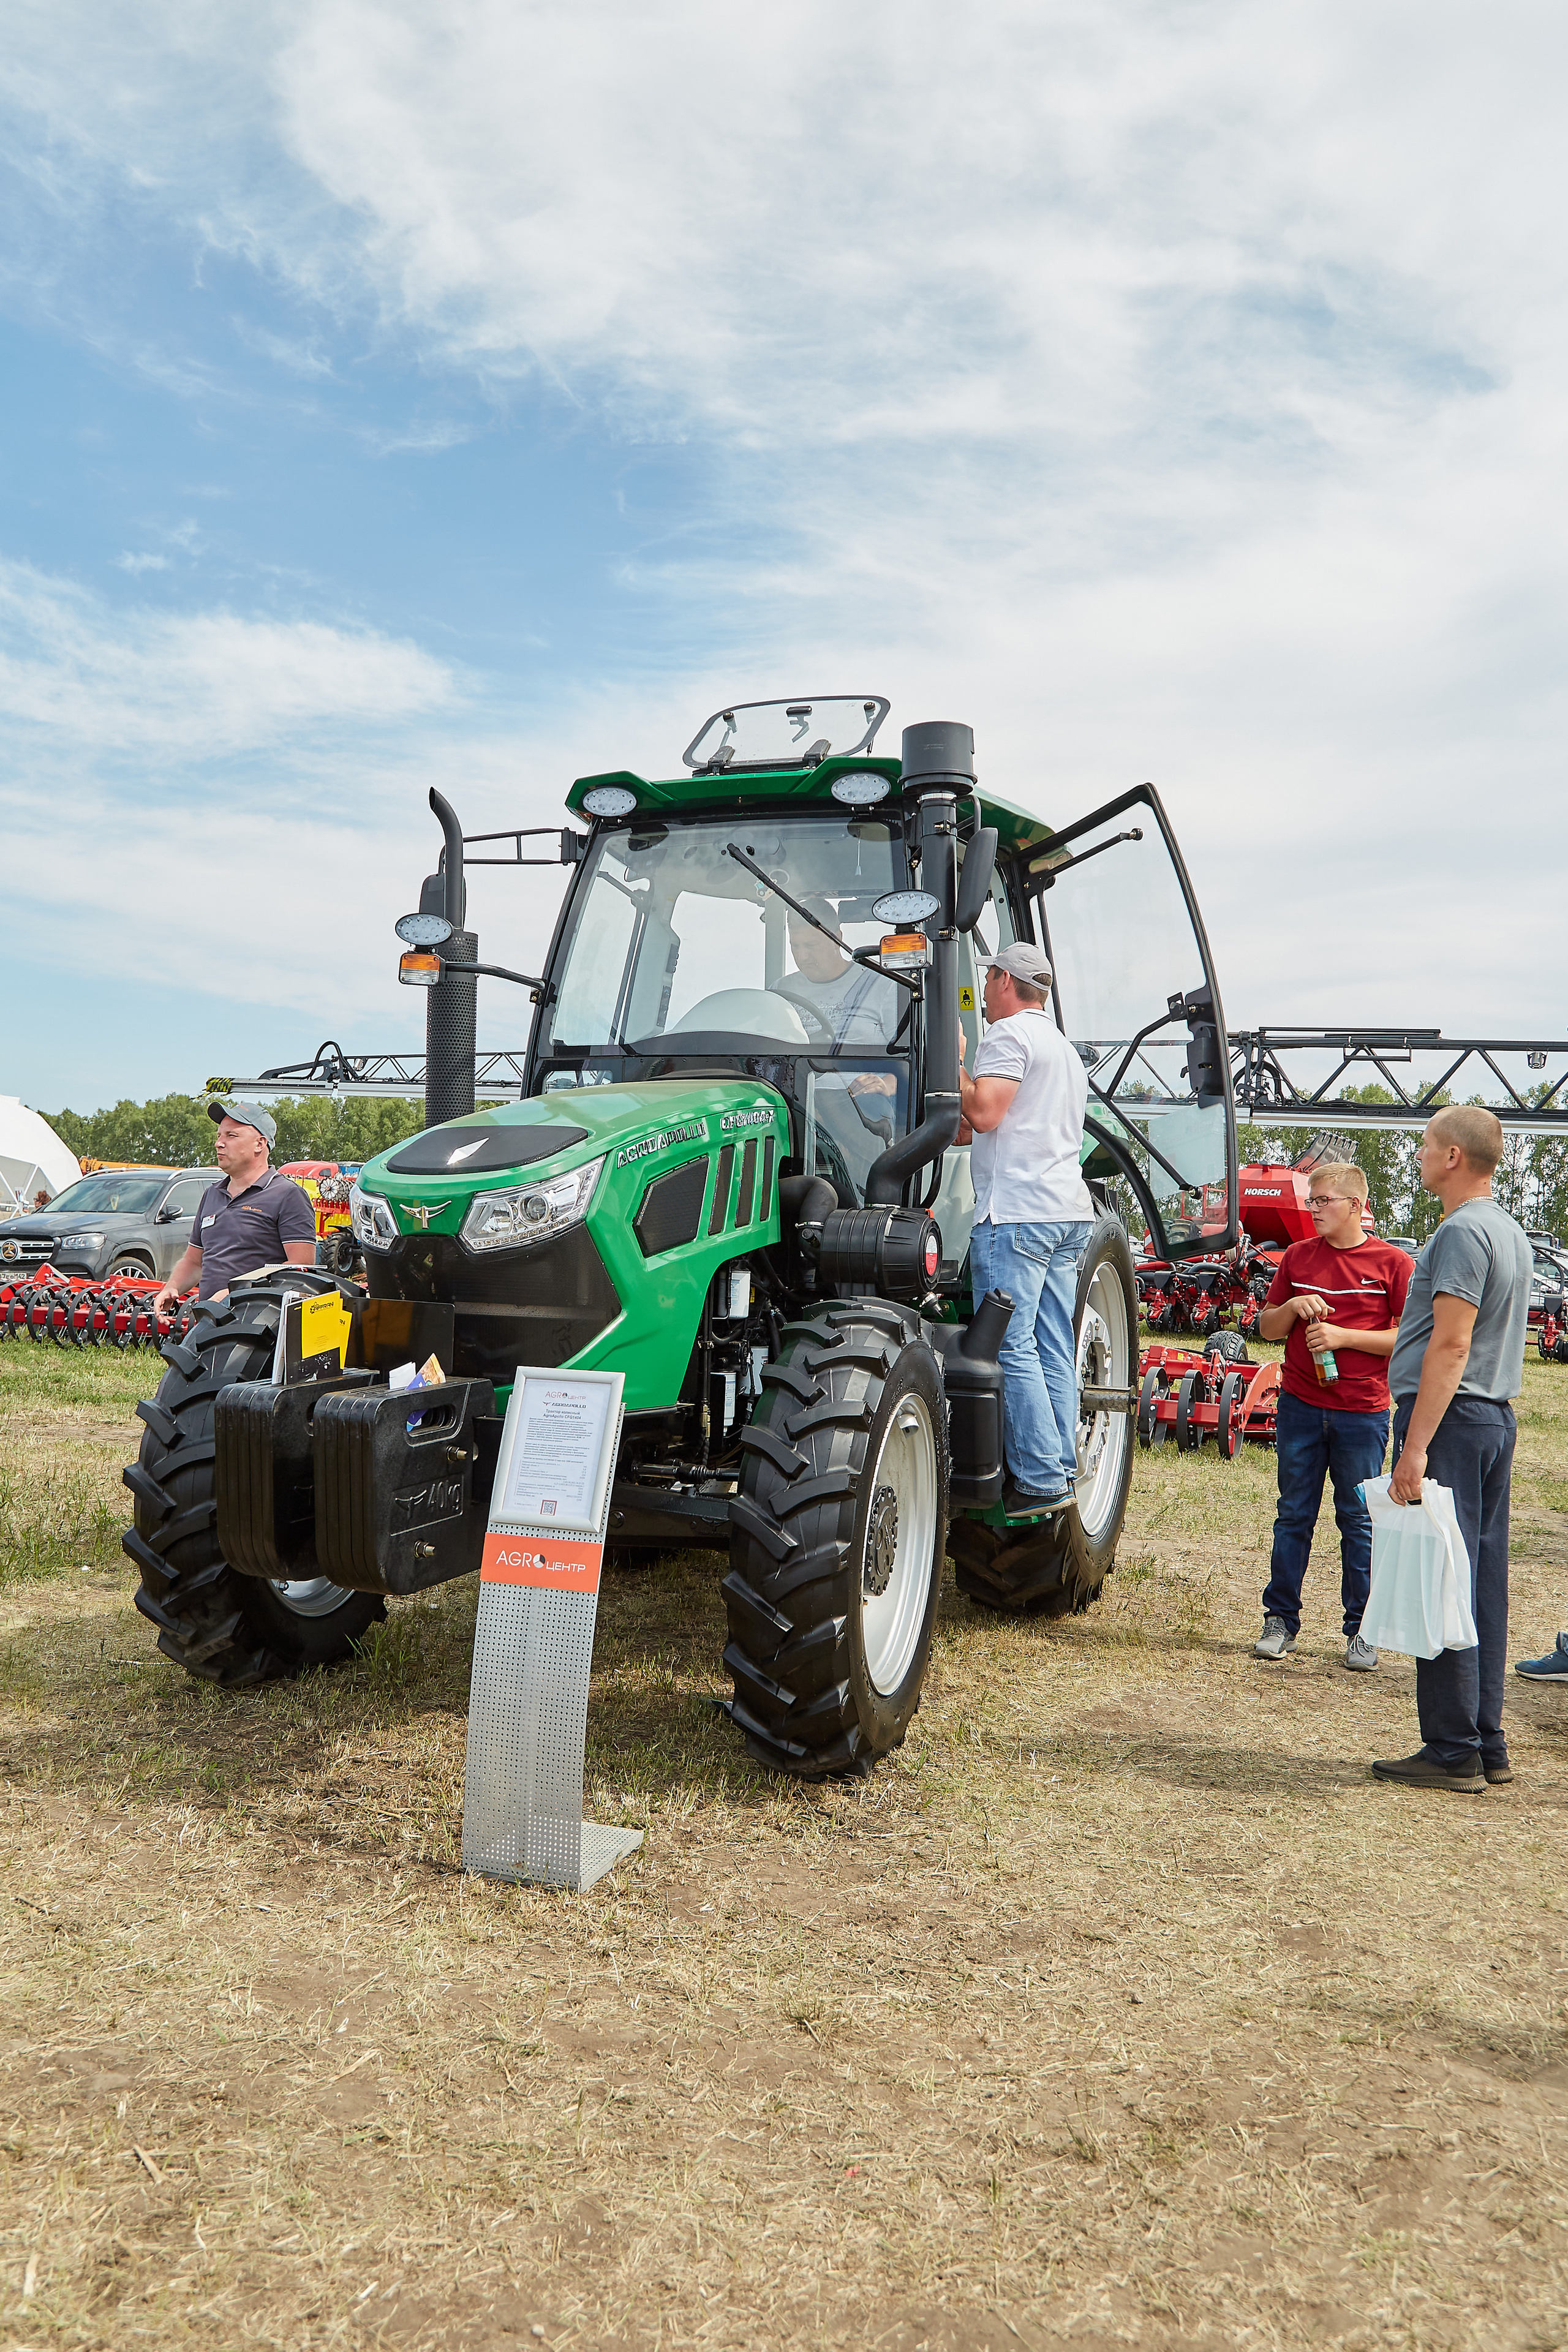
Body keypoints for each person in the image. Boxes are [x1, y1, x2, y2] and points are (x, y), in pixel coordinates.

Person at [1372, 1106, 1532, 1792]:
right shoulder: (1507, 1230)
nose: (1418, 1157)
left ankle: (1452, 1749)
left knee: (1440, 1577)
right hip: (1488, 1419)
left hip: (1452, 1421)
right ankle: (1485, 1740)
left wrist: (1415, 1448)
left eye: (1425, 1146)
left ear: (1452, 1158)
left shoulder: (1462, 1231)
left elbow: (1452, 1342)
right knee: (1478, 1582)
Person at [1251, 1165, 1411, 1670]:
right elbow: (1267, 1327)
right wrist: (1293, 1306)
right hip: (1300, 1407)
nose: (1314, 1209)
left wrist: (1345, 1338)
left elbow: (1409, 1338)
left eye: (1323, 1200)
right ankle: (1280, 1621)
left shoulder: (1393, 1263)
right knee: (1293, 1515)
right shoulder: (1298, 1257)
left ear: (1355, 1206)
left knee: (1358, 1520)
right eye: (1312, 1201)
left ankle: (1363, 1629)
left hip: (1362, 1413)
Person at [958, 941, 1094, 1515]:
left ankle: (1038, 1480)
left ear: (1004, 981)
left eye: (988, 979)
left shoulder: (1008, 1035)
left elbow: (983, 1112)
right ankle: (1061, 1466)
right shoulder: (1063, 1049)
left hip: (1017, 1215)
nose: (983, 992)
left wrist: (952, 1061)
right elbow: (983, 1126)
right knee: (1053, 1344)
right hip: (1067, 1213)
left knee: (1009, 1344)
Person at [153, 1100, 316, 1313]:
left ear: (260, 1144)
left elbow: (300, 1266)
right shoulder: (212, 1194)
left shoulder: (287, 1195)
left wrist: (235, 1292)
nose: (219, 1143)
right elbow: (194, 1261)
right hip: (210, 1318)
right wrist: (172, 1287)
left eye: (231, 1136)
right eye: (219, 1136)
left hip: (258, 1322)